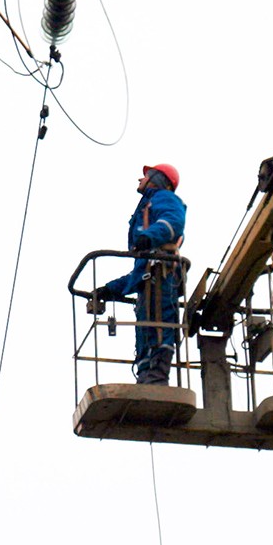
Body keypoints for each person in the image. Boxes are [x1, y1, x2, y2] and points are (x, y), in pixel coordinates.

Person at [91, 164, 187, 385]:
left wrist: (150, 236)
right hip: (151, 278)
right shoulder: (149, 206)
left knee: (160, 324)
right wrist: (109, 289)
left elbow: (174, 221)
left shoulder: (163, 198)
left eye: (144, 176)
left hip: (162, 276)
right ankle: (147, 375)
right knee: (147, 327)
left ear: (156, 179)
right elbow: (137, 275)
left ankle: (157, 374)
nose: (139, 180)